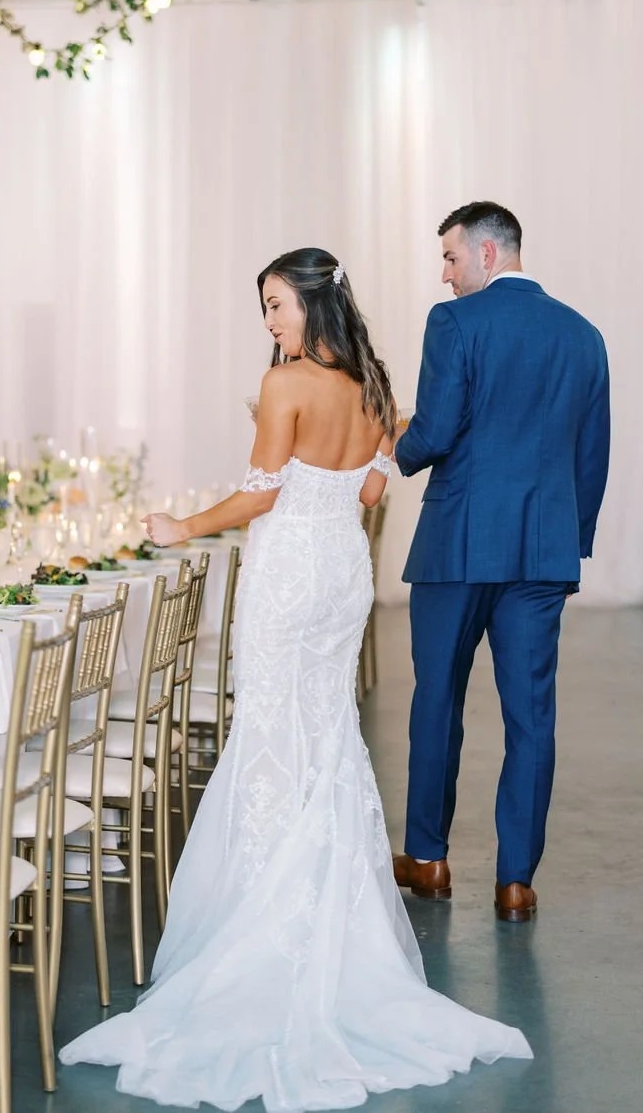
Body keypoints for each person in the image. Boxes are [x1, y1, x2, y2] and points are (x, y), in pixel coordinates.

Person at [60, 247, 531, 1110]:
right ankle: (334, 931)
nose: (271, 323)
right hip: (342, 573)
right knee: (324, 736)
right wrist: (357, 476)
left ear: (312, 302)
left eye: (277, 305)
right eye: (265, 310)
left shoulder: (285, 387)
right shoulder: (374, 381)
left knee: (272, 732)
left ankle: (265, 931)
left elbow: (262, 494)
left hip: (286, 574)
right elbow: (377, 480)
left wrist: (182, 525)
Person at [392, 203, 610, 922]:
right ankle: (516, 880)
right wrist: (564, 543)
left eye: (451, 258)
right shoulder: (584, 338)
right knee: (532, 717)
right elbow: (591, 455)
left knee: (438, 700)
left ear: (488, 255)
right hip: (540, 557)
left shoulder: (453, 323)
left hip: (458, 544)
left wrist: (397, 442)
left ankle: (428, 857)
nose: (444, 274)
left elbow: (438, 428)